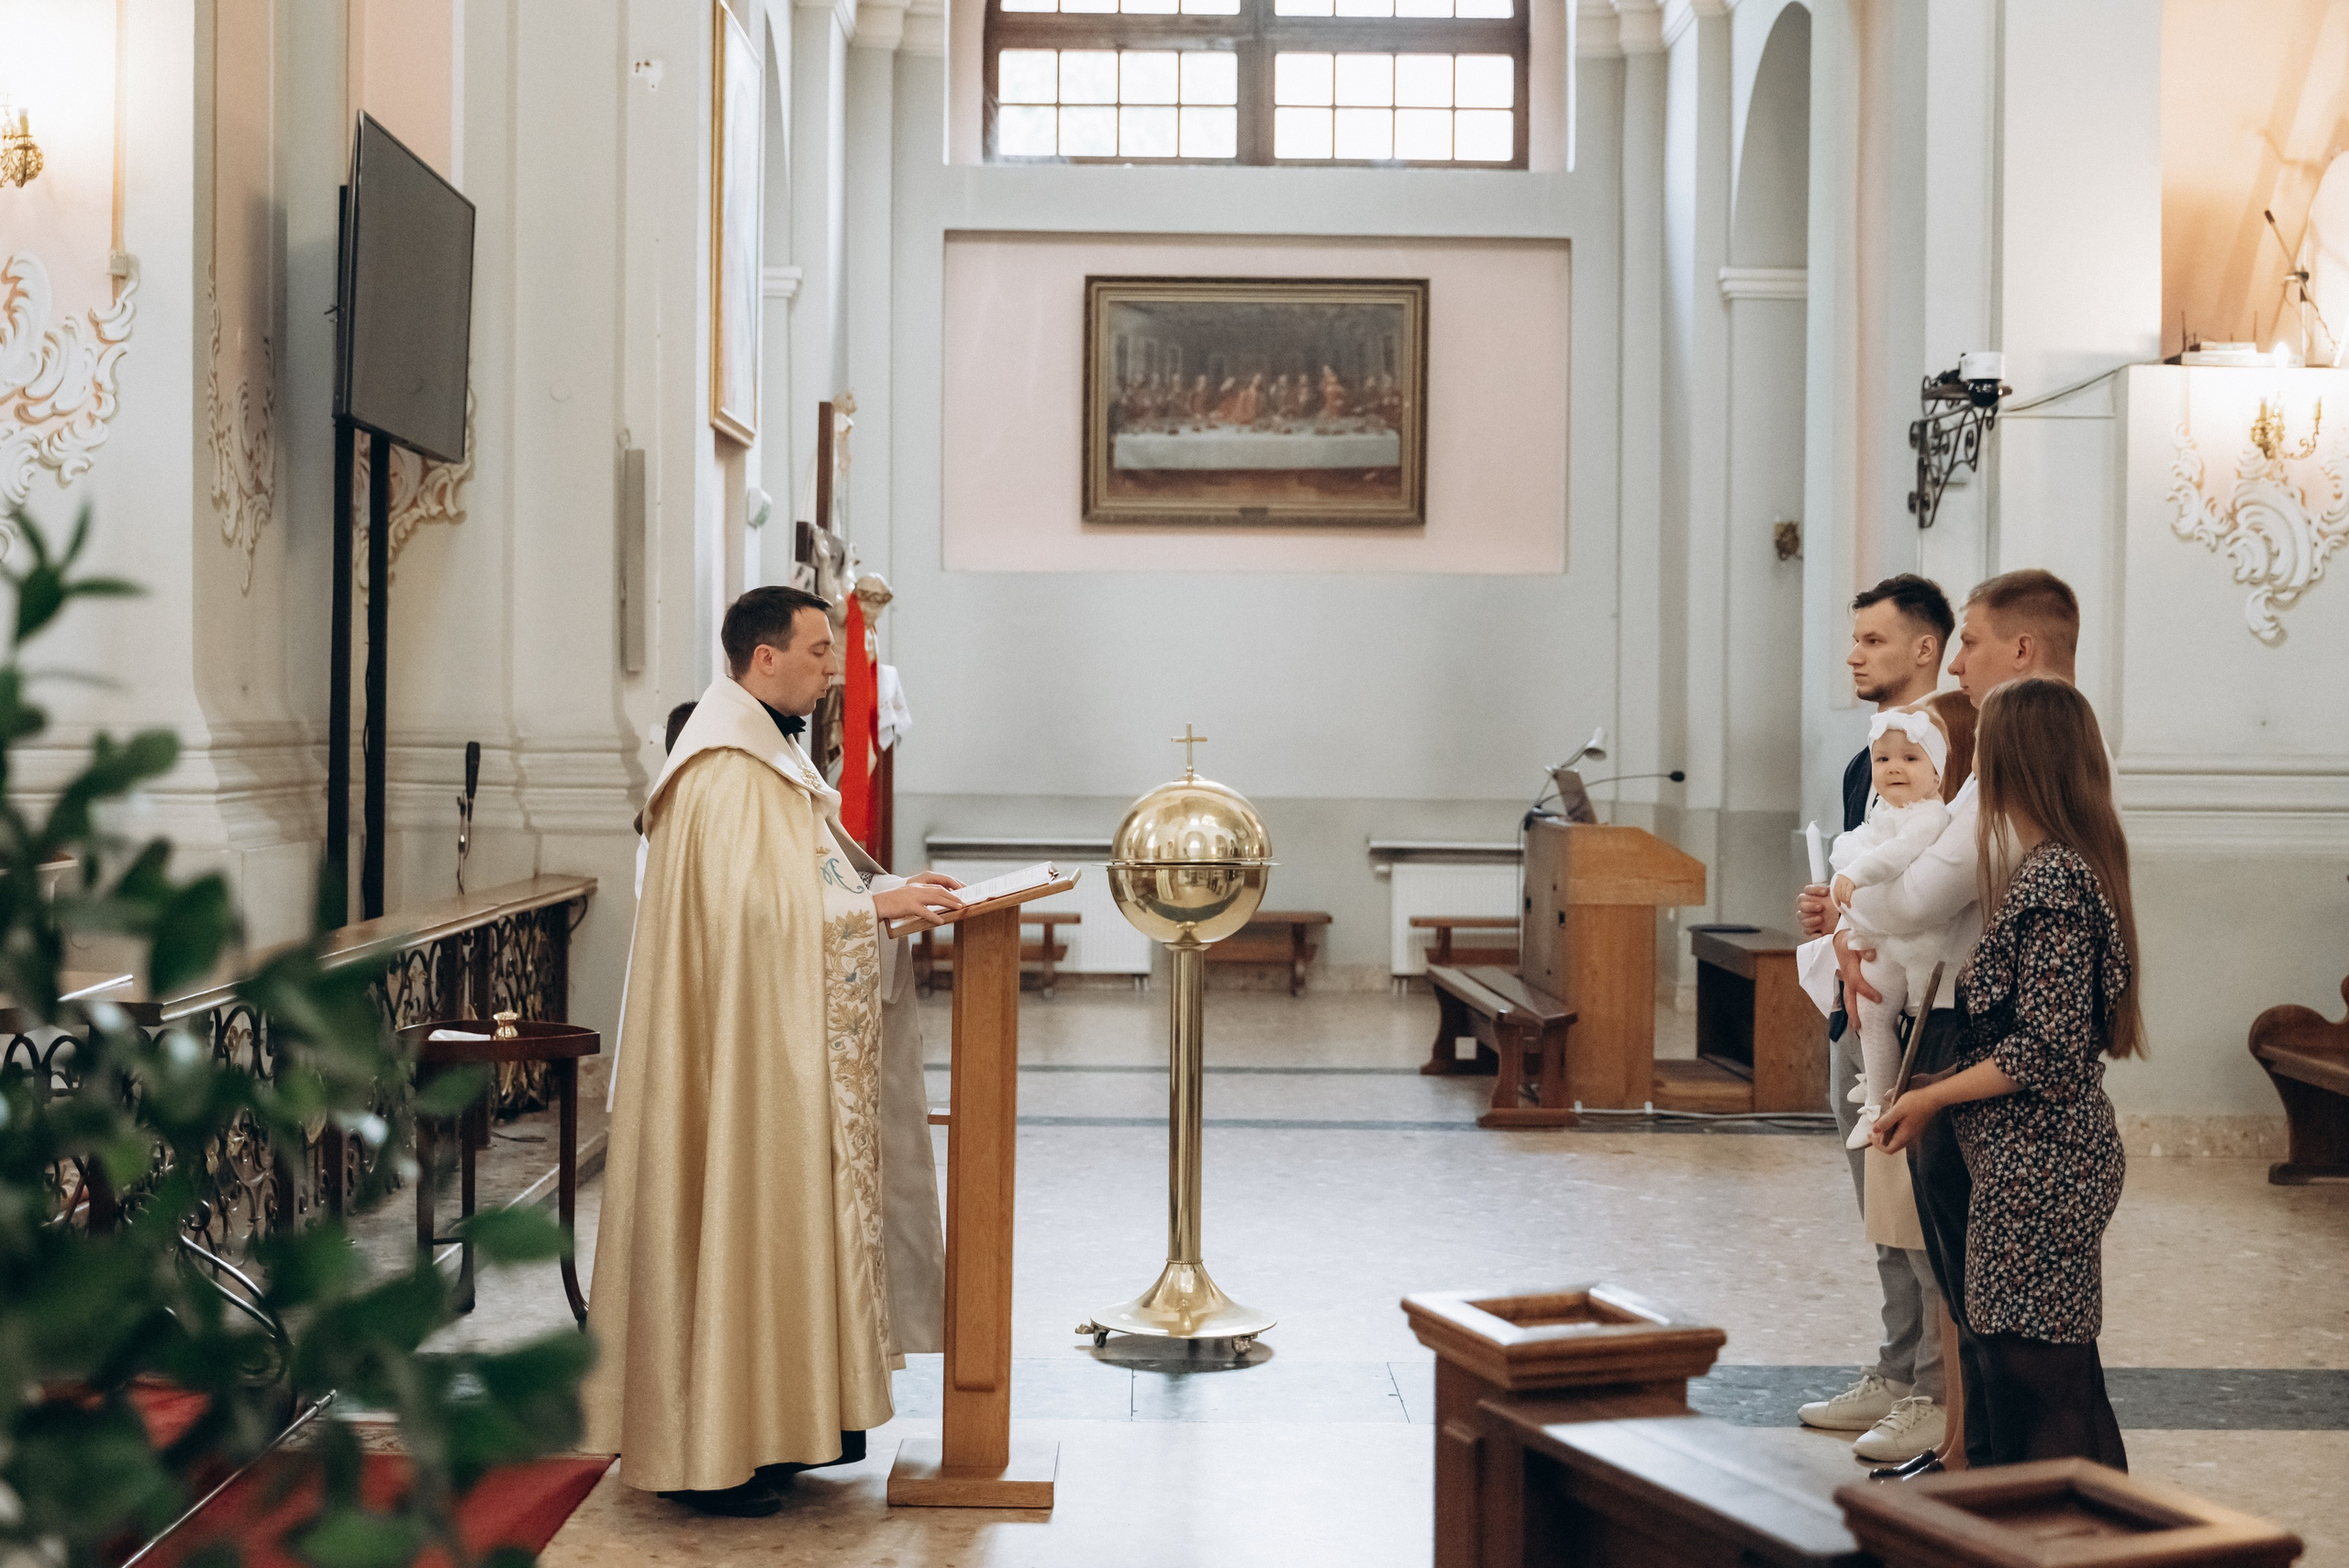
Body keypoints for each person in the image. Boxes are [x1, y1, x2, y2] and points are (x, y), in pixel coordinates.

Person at [584, 587, 963, 1518]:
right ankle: (713, 1452)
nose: (835, 666)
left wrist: (886, 889)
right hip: (736, 1062)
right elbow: (751, 917)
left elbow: (804, 878)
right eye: (818, 649)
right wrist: (873, 909)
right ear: (763, 659)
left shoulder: (764, 757)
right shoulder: (720, 769)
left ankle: (781, 1427)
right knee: (739, 1216)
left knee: (778, 1220)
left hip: (770, 1045)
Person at [1836, 566, 2087, 1475]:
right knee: (1967, 1281)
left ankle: (2015, 1481)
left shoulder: (2030, 816)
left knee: (2015, 1327)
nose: (1958, 661)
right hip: (1959, 1038)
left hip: (1977, 1050)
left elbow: (1918, 896)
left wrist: (1861, 901)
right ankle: (1965, 1455)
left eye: (1971, 640)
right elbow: (1906, 881)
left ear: (2019, 655)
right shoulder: (1988, 778)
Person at [1873, 676, 2137, 1468]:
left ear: (2017, 760)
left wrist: (1934, 1095)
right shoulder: (2049, 868)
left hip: (2042, 1162)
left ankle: (2063, 1539)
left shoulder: (2055, 878)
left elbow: (2046, 1047)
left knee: (2041, 1386)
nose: (1975, 769)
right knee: (2048, 1377)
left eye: (1985, 752)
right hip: (2024, 1157)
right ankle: (2083, 1536)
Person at [1791, 575, 1955, 1464]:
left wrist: (1869, 927)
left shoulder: (1950, 748)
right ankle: (1896, 1366)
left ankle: (1935, 1383)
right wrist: (1829, 919)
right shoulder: (1869, 756)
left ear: (1923, 648)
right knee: (1875, 1201)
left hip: (1919, 1001)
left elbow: (1939, 881)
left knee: (1912, 1198)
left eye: (1872, 640)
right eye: (1853, 638)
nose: (1854, 654)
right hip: (1855, 1001)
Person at [1828, 706, 1955, 1149]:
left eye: (1910, 758)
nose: (1894, 768)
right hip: (1881, 933)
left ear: (1937, 773)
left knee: (1875, 1013)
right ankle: (1875, 1077)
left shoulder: (1929, 816)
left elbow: (1898, 854)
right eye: (1883, 760)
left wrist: (1855, 874)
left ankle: (1879, 1108)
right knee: (1868, 1018)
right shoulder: (1885, 809)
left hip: (1910, 944)